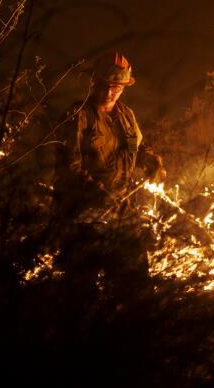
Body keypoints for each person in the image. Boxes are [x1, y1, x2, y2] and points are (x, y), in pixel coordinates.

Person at [53, 51, 163, 295]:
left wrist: (151, 160)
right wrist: (98, 193)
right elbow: (69, 166)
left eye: (117, 87)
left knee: (135, 288)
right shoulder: (78, 116)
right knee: (79, 293)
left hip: (122, 211)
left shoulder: (125, 116)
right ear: (93, 82)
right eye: (105, 85)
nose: (111, 92)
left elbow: (135, 147)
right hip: (84, 218)